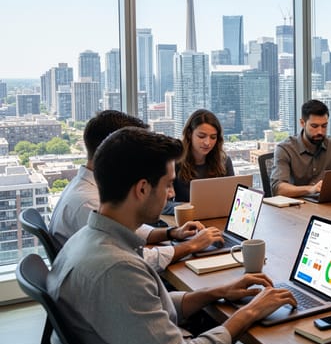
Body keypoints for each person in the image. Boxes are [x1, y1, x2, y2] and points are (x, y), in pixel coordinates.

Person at [47, 127, 296, 344]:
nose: (171, 194)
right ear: (142, 189)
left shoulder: (86, 241)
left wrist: (217, 291)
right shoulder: (117, 270)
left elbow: (147, 307)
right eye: (167, 184)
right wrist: (251, 312)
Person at [48, 110, 223, 271]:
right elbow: (139, 259)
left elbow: (127, 232)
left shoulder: (87, 189)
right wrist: (191, 246)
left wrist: (172, 232)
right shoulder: (88, 203)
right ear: (114, 151)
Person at [271, 99, 331, 198]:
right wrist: (311, 189)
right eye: (314, 126)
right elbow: (278, 189)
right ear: (302, 123)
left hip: (327, 205)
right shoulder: (285, 149)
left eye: (324, 126)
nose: (320, 132)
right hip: (297, 207)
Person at [173, 109, 235, 202]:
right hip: (185, 216)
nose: (207, 143)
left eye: (213, 137)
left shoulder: (224, 161)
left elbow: (232, 197)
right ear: (189, 134)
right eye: (201, 136)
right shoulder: (174, 162)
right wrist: (187, 209)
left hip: (217, 215)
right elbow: (163, 204)